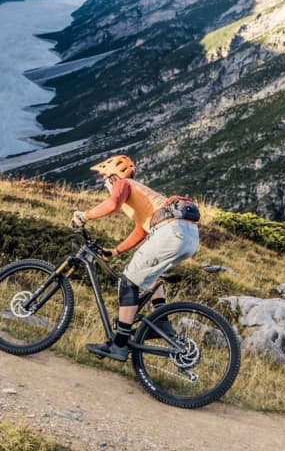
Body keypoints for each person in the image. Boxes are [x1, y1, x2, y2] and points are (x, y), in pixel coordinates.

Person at [70, 154, 199, 361]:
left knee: (127, 282)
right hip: (188, 237)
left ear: (113, 176)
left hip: (170, 231)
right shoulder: (145, 198)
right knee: (150, 274)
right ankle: (161, 320)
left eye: (105, 180)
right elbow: (141, 230)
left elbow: (112, 203)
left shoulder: (123, 183)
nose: (105, 184)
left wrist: (85, 216)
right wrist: (116, 251)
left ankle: (119, 344)